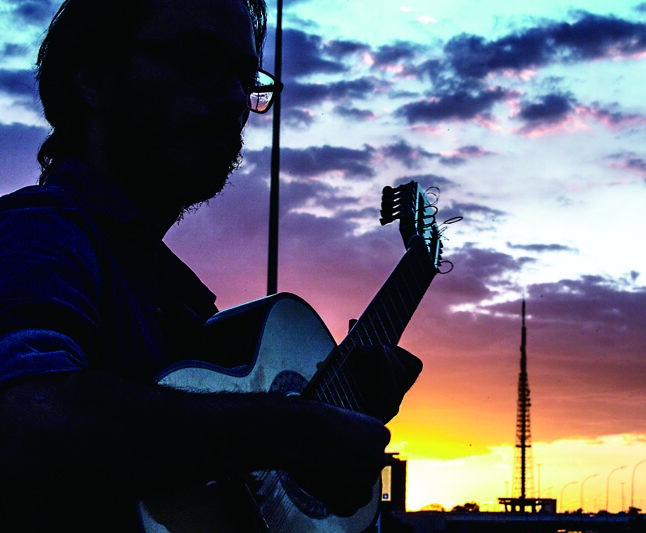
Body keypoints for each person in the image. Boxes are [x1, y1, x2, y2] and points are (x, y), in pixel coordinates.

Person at [0, 0, 421, 530]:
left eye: (246, 79)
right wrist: (290, 432)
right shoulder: (36, 230)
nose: (233, 100)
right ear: (94, 79)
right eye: (200, 60)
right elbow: (26, 420)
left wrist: (337, 422)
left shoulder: (179, 300)